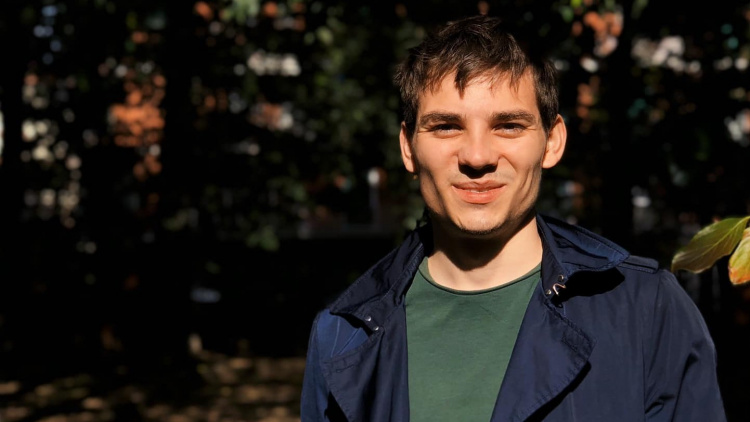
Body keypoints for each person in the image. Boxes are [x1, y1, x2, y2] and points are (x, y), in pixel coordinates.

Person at [300, 14, 726, 422]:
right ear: (408, 148)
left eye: (508, 125)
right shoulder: (342, 335)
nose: (477, 156)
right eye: (446, 126)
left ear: (552, 142)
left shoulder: (647, 311)